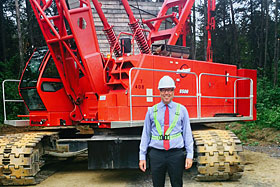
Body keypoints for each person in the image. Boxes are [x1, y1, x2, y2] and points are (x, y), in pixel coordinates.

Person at [139, 75, 194, 187]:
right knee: (157, 184)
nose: (166, 93)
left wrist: (189, 155)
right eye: (163, 90)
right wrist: (142, 156)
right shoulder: (151, 111)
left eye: (169, 90)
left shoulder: (182, 110)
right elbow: (145, 134)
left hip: (176, 154)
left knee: (177, 184)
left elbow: (187, 134)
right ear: (159, 92)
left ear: (173, 91)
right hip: (156, 154)